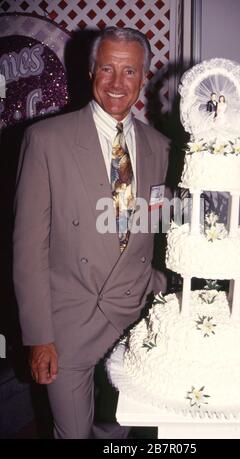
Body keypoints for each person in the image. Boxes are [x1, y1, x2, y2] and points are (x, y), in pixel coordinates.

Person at [13, 26, 170, 439]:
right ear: (91, 72)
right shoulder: (46, 140)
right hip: (68, 324)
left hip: (134, 318)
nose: (117, 83)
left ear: (143, 77)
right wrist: (39, 336)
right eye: (107, 69)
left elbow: (156, 232)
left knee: (116, 432)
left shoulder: (160, 147)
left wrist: (158, 288)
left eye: (129, 72)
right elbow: (28, 249)